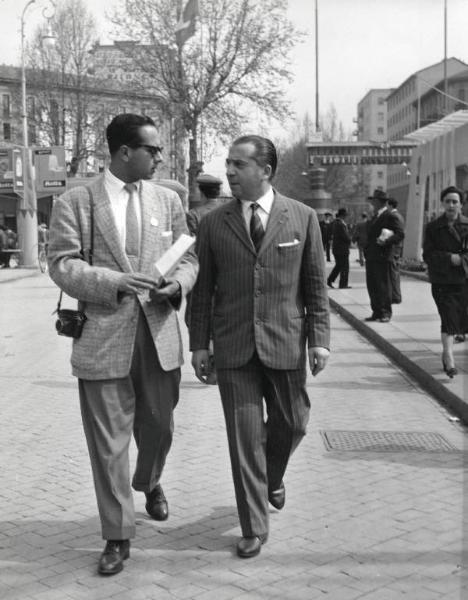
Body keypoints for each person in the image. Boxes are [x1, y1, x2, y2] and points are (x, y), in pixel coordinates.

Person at [47, 113, 198, 576]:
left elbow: (186, 256)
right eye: (152, 150)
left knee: (160, 428)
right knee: (108, 444)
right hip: (103, 336)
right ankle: (117, 535)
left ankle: (149, 480)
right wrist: (114, 281)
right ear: (124, 152)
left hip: (158, 336)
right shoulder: (76, 201)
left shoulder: (168, 199)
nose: (159, 157)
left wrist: (178, 286)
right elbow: (60, 264)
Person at [189, 134, 330, 559]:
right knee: (244, 438)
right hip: (233, 348)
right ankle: (253, 525)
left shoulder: (302, 218)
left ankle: (271, 476)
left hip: (286, 343)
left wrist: (319, 341)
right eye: (228, 164)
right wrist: (199, 344)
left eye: (238, 164)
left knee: (294, 422)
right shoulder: (214, 223)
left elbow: (315, 287)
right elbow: (202, 291)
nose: (229, 171)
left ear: (265, 171)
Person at [423, 185, 468, 378]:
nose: (451, 205)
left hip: (464, 279)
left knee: (461, 319)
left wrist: (463, 260)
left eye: (455, 202)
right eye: (447, 201)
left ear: (461, 205)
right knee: (448, 317)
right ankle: (448, 357)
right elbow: (428, 255)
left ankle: (447, 354)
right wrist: (450, 258)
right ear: (442, 203)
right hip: (443, 281)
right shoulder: (433, 228)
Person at [184, 172, 223, 384]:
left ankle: (207, 359)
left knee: (196, 317)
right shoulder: (231, 212)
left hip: (200, 275)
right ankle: (217, 364)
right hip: (225, 276)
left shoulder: (194, 215)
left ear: (201, 191)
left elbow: (188, 247)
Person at [364, 189, 405, 323]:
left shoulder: (390, 216)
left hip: (383, 256)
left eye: (373, 201)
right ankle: (376, 311)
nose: (372, 203)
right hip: (372, 256)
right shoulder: (375, 216)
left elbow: (400, 234)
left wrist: (386, 241)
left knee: (383, 286)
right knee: (373, 285)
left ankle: (385, 312)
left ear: (379, 202)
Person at [327, 207, 352, 289]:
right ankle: (343, 284)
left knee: (338, 266)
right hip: (342, 249)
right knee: (345, 267)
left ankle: (330, 280)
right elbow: (345, 237)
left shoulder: (335, 223)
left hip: (337, 249)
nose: (346, 217)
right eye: (345, 215)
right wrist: (350, 240)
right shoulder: (340, 224)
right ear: (343, 216)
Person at [387, 198, 405, 304]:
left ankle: (395, 296)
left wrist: (387, 240)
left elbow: (399, 233)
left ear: (390, 205)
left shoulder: (393, 216)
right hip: (397, 248)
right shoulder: (399, 216)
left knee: (393, 273)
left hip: (393, 248)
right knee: (395, 272)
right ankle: (396, 295)